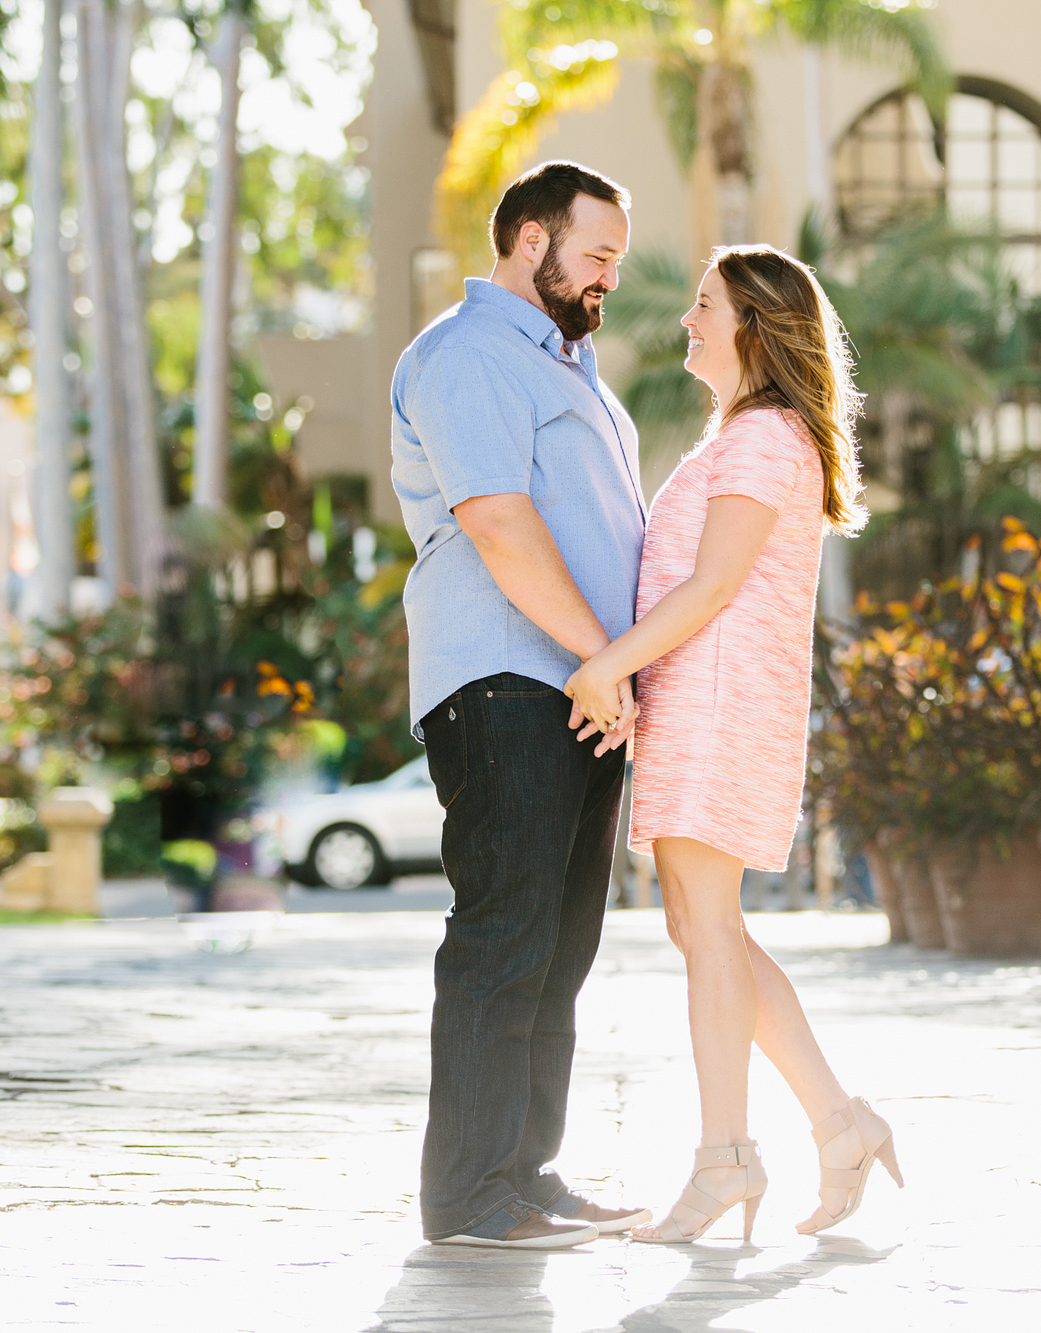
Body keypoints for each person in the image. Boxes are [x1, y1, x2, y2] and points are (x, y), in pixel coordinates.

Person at [563, 245, 904, 1244]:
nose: (687, 321)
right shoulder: (746, 436)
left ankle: (725, 1161)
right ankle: (839, 1125)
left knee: (705, 931)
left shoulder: (760, 440)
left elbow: (710, 589)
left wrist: (605, 665)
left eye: (703, 306)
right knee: (701, 928)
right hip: (702, 707)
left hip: (717, 710)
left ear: (753, 324)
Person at [389, 160, 650, 1250]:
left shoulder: (569, 367)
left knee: (561, 944)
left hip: (581, 688)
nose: (607, 281)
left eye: (616, 265)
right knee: (504, 936)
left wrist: (615, 669)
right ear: (530, 239)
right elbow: (497, 522)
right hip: (509, 681)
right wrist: (606, 656)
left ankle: (523, 1174)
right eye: (595, 256)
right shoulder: (467, 354)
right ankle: (467, 1196)